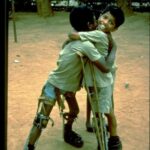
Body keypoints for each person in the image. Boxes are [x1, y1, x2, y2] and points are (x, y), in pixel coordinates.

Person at [23, 6, 116, 150]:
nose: (97, 23)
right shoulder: (86, 45)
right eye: (94, 21)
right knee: (42, 120)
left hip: (62, 85)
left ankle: (66, 132)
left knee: (73, 111)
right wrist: (113, 47)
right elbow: (105, 67)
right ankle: (28, 146)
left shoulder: (75, 38)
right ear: (89, 25)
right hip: (55, 85)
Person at [68, 5, 125, 150]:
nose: (105, 22)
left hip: (103, 77)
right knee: (100, 105)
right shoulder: (99, 33)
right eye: (105, 17)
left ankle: (112, 139)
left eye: (111, 22)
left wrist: (78, 35)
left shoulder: (99, 34)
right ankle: (99, 130)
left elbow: (72, 35)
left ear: (114, 28)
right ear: (100, 16)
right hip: (97, 78)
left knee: (105, 110)